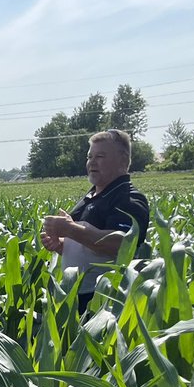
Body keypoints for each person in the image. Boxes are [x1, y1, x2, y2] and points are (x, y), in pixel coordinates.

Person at [40, 129, 150, 312]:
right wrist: (62, 245)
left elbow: (122, 243)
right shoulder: (91, 196)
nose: (92, 162)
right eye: (90, 156)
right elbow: (86, 243)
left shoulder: (127, 198)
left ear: (123, 161)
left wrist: (70, 230)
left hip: (104, 301)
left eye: (100, 156)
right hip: (75, 295)